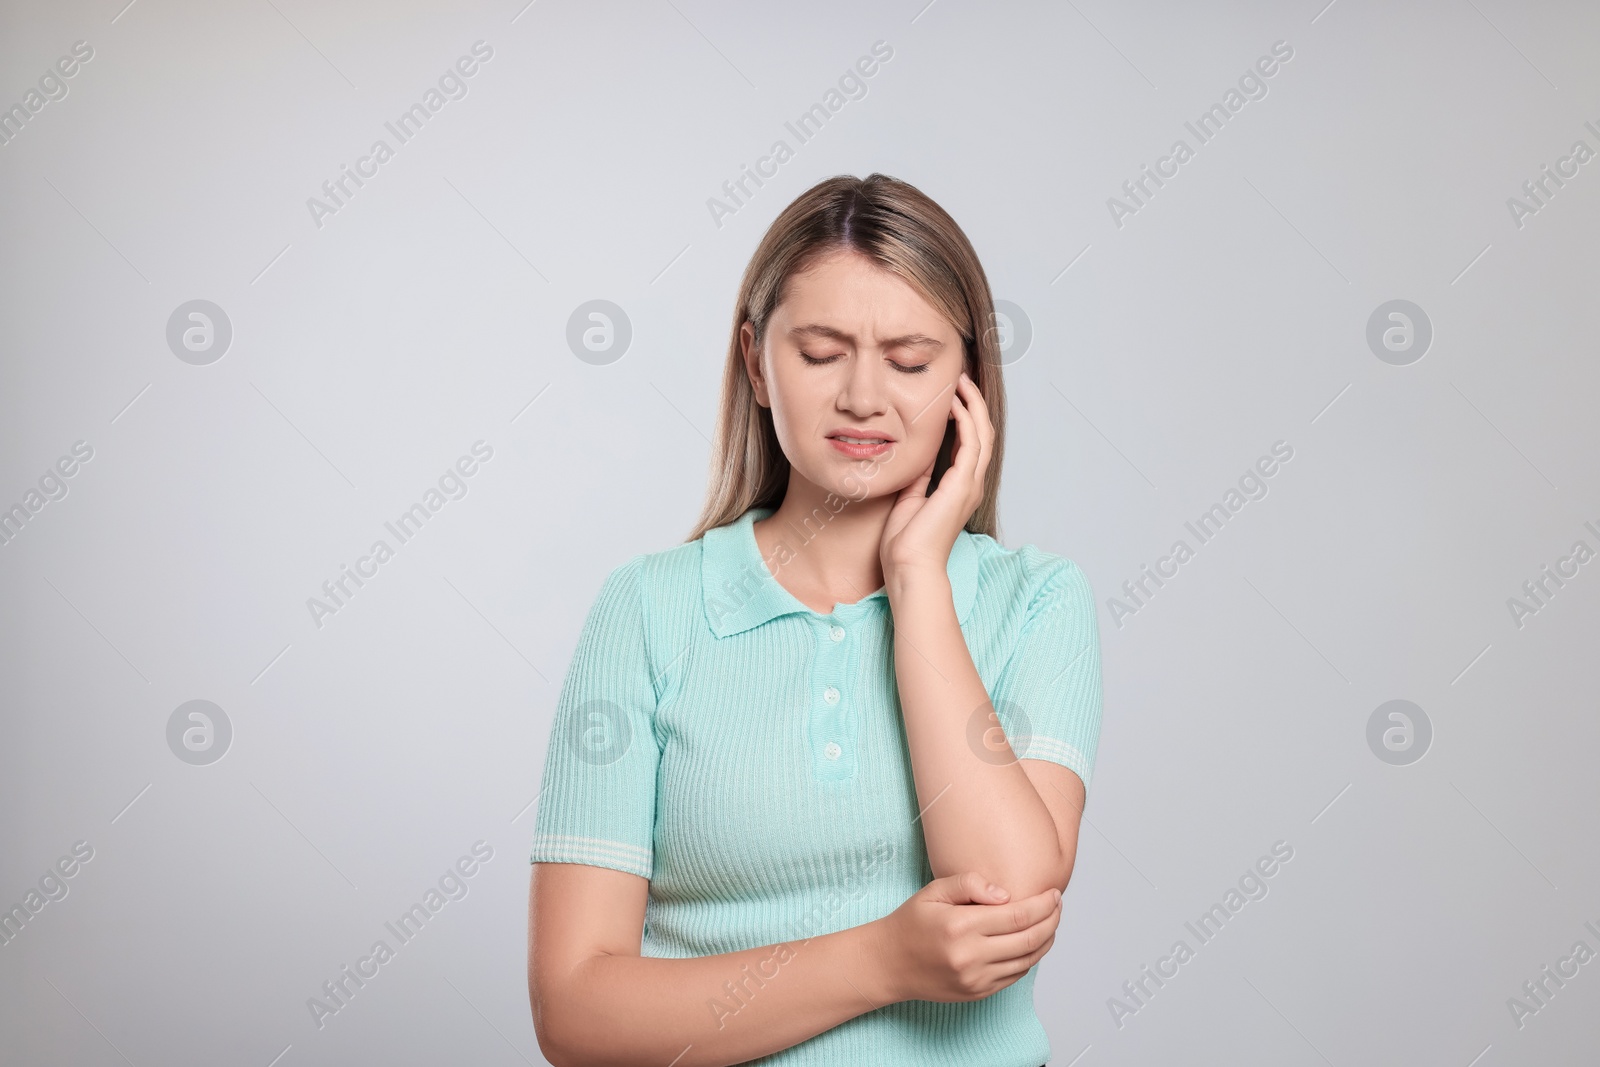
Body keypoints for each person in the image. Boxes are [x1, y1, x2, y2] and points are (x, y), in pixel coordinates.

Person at [526, 173, 1102, 1067]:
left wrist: (917, 583)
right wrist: (880, 960)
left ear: (967, 381)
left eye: (910, 360)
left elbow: (1007, 900)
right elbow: (574, 1009)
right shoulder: (647, 610)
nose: (865, 397)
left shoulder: (1036, 601)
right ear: (757, 362)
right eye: (822, 352)